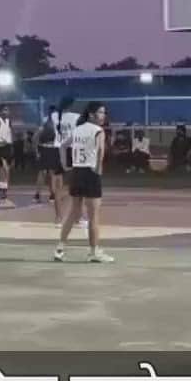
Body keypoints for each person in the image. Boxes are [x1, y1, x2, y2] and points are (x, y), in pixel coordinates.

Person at [54, 102, 114, 264]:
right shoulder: (98, 131)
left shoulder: (77, 129)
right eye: (101, 112)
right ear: (92, 114)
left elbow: (62, 146)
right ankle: (94, 252)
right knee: (94, 215)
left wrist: (65, 164)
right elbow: (100, 150)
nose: (104, 115)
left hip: (77, 172)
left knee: (73, 213)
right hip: (90, 172)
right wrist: (99, 168)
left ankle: (60, 248)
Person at [0, 104, 15, 208]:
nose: (6, 112)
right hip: (1, 148)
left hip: (8, 147)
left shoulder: (9, 122)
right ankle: (3, 194)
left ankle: (3, 194)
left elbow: (10, 134)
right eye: (4, 110)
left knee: (4, 172)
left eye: (7, 110)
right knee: (5, 170)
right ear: (0, 111)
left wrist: (11, 144)